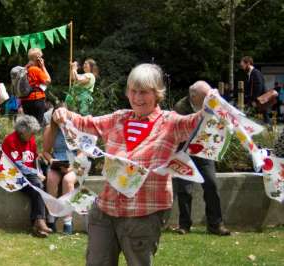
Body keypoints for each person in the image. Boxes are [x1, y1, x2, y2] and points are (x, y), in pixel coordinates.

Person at [53, 63, 212, 266]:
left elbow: (197, 122)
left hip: (144, 214)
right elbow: (86, 123)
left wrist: (210, 102)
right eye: (133, 91)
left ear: (157, 94)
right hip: (106, 210)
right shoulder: (119, 118)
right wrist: (63, 113)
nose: (137, 97)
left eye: (144, 92)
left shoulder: (170, 123)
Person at [172, 81, 231, 236]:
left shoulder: (212, 102)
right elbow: (178, 131)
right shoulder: (180, 107)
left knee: (211, 184)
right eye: (205, 96)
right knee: (184, 190)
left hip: (204, 150)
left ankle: (215, 225)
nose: (208, 98)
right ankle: (184, 225)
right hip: (184, 151)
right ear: (194, 96)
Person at [2, 115, 52, 237]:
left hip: (29, 175)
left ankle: (38, 225)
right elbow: (18, 165)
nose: (33, 136)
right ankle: (40, 221)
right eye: (31, 133)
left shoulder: (31, 139)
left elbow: (34, 159)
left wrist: (39, 170)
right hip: (14, 175)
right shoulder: (10, 140)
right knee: (37, 187)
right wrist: (36, 173)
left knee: (39, 186)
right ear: (22, 131)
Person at [42, 103, 77, 234]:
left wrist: (71, 167)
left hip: (75, 163)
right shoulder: (50, 129)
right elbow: (45, 151)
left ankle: (68, 221)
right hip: (57, 162)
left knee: (67, 181)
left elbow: (82, 152)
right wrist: (52, 161)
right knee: (51, 179)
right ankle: (51, 217)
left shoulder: (75, 128)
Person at [22, 48, 51, 125]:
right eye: (41, 57)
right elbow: (48, 80)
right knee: (38, 125)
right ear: (38, 59)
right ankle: (36, 137)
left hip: (25, 100)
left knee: (28, 125)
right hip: (36, 99)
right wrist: (43, 66)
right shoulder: (36, 70)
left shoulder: (24, 69)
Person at [240, 56, 267, 121]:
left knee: (264, 120)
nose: (242, 68)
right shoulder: (251, 73)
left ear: (248, 64)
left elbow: (259, 87)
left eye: (243, 65)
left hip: (259, 101)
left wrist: (255, 100)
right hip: (256, 101)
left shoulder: (255, 73)